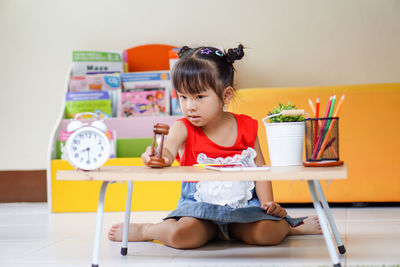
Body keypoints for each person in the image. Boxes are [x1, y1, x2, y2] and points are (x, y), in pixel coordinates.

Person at [108, 44, 321, 248]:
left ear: (226, 95)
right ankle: (148, 230)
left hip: (244, 210)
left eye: (199, 97)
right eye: (183, 97)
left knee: (268, 233)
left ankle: (287, 227)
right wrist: (157, 155)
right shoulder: (183, 128)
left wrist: (268, 205)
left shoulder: (247, 126)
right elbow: (168, 150)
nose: (190, 106)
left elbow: (260, 170)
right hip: (198, 211)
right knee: (180, 235)